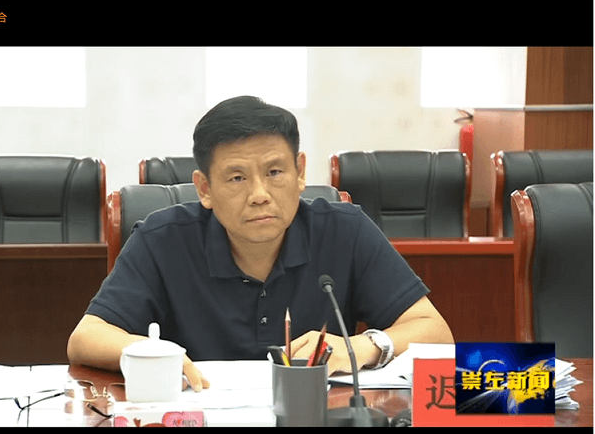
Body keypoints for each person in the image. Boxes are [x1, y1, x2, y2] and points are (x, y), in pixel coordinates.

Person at [67, 95, 454, 392]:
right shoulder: (161, 238)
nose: (259, 195)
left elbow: (434, 331)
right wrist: (151, 354)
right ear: (204, 188)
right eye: (237, 178)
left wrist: (360, 348)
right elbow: (86, 337)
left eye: (274, 172)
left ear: (299, 172)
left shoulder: (345, 230)